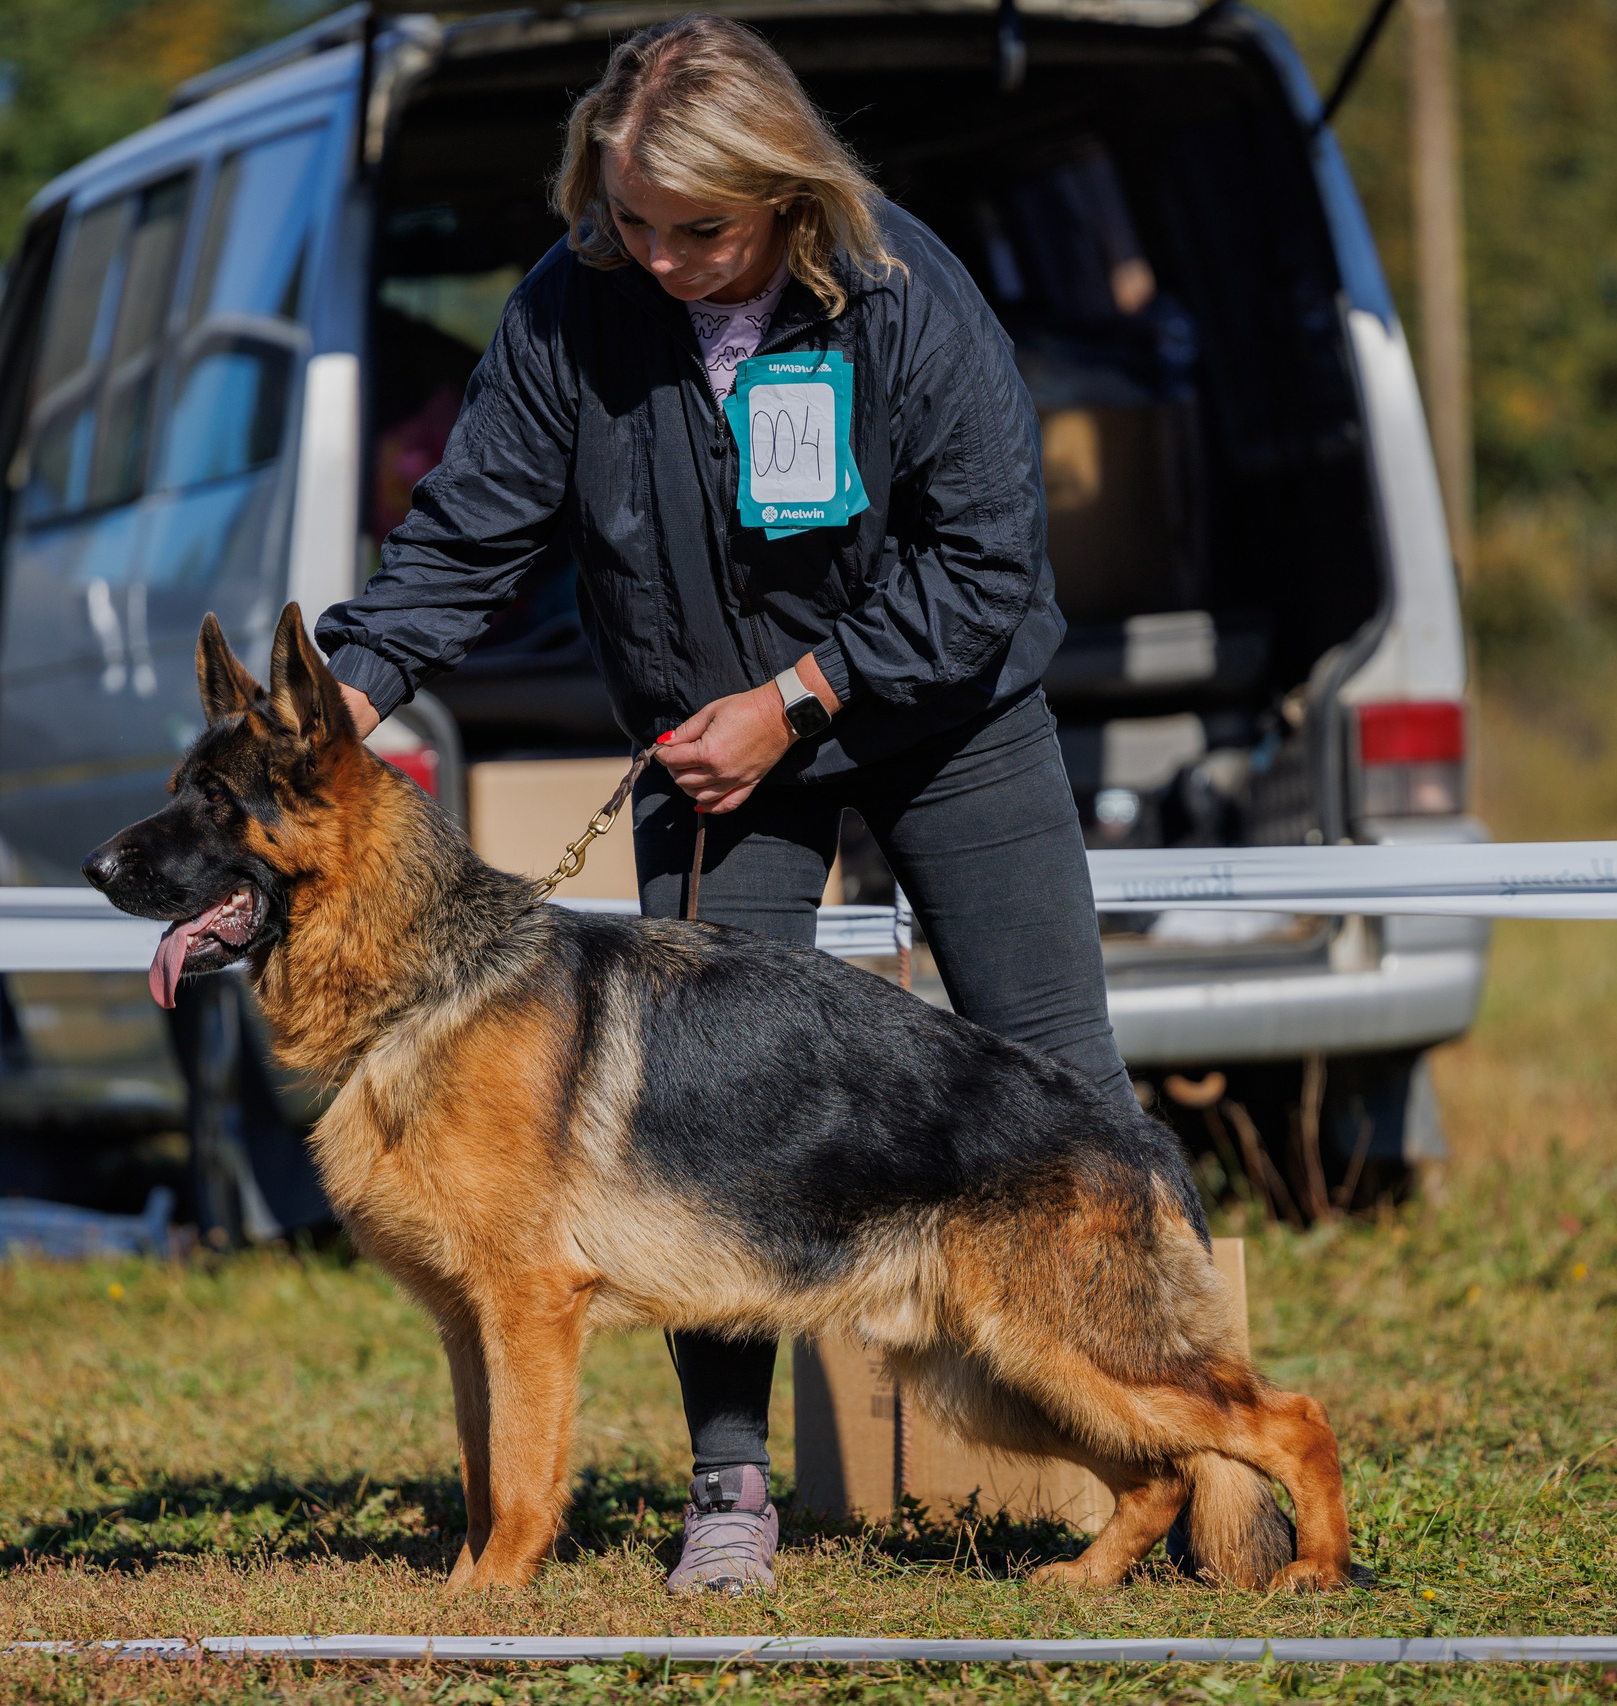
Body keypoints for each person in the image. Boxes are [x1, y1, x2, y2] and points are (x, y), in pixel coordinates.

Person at [315, 16, 1146, 1594]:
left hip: (946, 718)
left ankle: (1180, 1448)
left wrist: (806, 698)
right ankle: (730, 1496)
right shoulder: (573, 312)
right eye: (630, 222)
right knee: (698, 1119)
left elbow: (986, 562)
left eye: (700, 229)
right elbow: (467, 534)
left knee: (1068, 1088)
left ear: (787, 194)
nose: (664, 257)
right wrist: (345, 692)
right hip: (711, 750)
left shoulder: (904, 291)